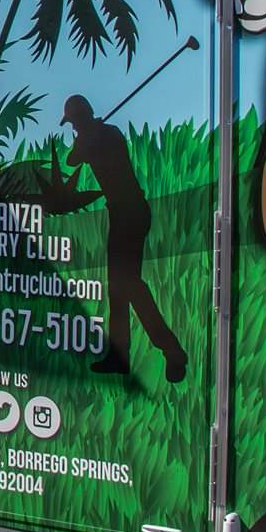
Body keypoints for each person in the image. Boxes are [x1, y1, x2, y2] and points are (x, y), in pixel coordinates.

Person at [61, 93, 186, 383]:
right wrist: (86, 136)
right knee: (119, 290)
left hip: (130, 214)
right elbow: (72, 159)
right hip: (122, 215)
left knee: (129, 286)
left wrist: (90, 135)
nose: (74, 128)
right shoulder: (93, 137)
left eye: (74, 123)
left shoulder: (109, 135)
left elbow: (89, 152)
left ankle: (171, 350)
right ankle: (122, 356)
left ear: (80, 118)